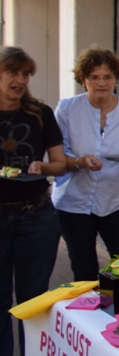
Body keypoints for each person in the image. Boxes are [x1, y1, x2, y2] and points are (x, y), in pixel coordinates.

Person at [53, 46, 119, 281]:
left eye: (107, 77)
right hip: (74, 201)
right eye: (94, 77)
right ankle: (88, 314)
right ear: (83, 80)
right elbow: (59, 154)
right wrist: (80, 162)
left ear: (116, 79)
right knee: (84, 269)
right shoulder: (67, 108)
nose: (101, 83)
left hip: (117, 199)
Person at [0, 47, 66, 356]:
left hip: (36, 216)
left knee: (33, 299)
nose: (20, 80)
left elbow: (60, 164)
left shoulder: (40, 113)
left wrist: (42, 167)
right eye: (13, 72)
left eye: (26, 74)